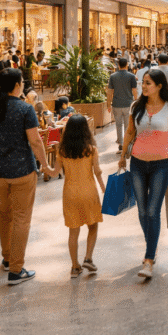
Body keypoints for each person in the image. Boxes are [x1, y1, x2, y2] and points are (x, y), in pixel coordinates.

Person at [0, 68, 52, 285]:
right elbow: (35, 141)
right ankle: (16, 269)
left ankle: (7, 258)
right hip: (22, 170)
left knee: (5, 215)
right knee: (21, 218)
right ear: (16, 85)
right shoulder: (25, 108)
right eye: (21, 81)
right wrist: (45, 165)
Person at [118, 69, 168, 278]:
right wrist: (122, 156)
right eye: (143, 82)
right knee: (142, 211)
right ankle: (152, 244)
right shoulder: (136, 106)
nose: (144, 86)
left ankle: (149, 259)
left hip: (161, 165)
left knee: (152, 211)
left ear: (159, 86)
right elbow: (130, 132)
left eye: (148, 83)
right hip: (137, 164)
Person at [48, 115, 105, 279]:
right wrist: (104, 190)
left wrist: (44, 165)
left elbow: (54, 173)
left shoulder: (62, 151)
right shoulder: (91, 150)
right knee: (93, 226)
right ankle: (88, 258)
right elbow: (97, 172)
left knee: (73, 232)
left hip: (70, 194)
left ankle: (74, 267)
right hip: (89, 192)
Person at [107, 58, 139, 154]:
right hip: (128, 104)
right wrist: (136, 101)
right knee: (127, 126)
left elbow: (110, 92)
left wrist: (108, 104)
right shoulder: (131, 76)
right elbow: (134, 90)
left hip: (116, 104)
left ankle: (121, 145)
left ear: (118, 65)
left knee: (118, 125)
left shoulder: (113, 76)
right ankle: (126, 144)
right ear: (127, 65)